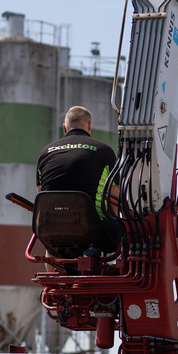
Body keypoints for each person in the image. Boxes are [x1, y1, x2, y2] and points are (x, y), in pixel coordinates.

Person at [36, 105, 121, 251]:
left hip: (51, 227)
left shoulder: (45, 153)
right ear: (89, 125)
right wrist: (114, 222)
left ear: (64, 127)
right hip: (93, 229)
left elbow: (41, 195)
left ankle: (53, 270)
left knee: (51, 242)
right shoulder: (104, 151)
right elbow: (115, 194)